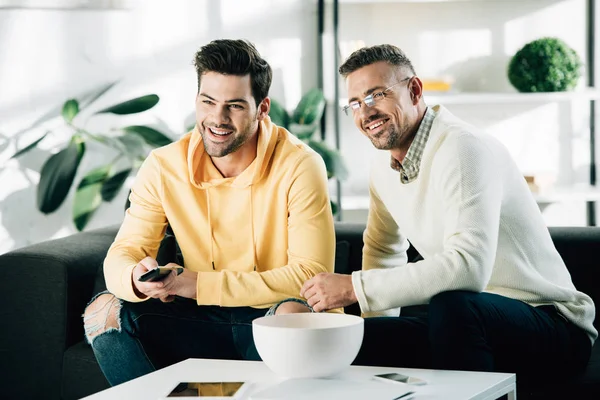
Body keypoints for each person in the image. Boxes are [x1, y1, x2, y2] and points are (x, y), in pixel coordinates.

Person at [300, 44, 595, 384]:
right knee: (357, 338)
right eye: (355, 103)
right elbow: (383, 251)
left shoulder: (463, 147)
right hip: (472, 321)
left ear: (414, 90)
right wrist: (379, 327)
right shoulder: (382, 167)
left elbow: (468, 269)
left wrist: (355, 287)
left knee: (453, 305)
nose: (365, 112)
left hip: (551, 324)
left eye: (376, 95)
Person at [83, 39, 334, 386]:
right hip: (201, 319)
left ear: (262, 108)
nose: (218, 118)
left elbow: (310, 275)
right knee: (103, 312)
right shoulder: (163, 166)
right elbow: (121, 255)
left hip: (270, 316)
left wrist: (199, 285)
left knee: (293, 317)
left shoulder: (300, 164)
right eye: (208, 102)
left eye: (234, 105)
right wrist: (139, 280)